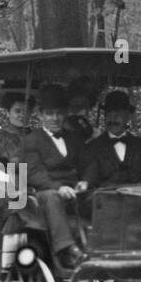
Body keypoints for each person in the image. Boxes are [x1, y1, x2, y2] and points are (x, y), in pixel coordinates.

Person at [0, 87, 86, 270]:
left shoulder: (38, 136)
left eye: (26, 111)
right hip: (11, 188)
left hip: (39, 185)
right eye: (17, 111)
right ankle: (14, 255)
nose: (22, 116)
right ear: (8, 112)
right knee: (20, 203)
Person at [20, 84, 87, 269]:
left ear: (64, 114)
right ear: (40, 115)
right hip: (45, 191)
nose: (55, 118)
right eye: (49, 113)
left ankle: (108, 246)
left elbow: (87, 163)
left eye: (58, 113)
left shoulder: (74, 138)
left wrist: (85, 181)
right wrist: (59, 187)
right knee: (52, 197)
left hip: (75, 192)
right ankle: (68, 249)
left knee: (102, 196)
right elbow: (34, 174)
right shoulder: (31, 140)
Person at [80, 90, 141, 189]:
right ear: (104, 116)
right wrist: (84, 184)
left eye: (118, 114)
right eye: (109, 114)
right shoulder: (93, 146)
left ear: (127, 117)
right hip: (107, 200)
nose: (113, 119)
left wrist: (140, 189)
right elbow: (89, 178)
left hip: (138, 200)